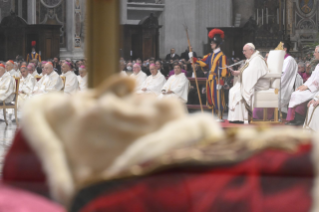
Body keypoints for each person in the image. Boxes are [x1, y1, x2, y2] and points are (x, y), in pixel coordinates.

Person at [228, 43, 270, 124]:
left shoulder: (257, 59)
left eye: (245, 51)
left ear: (251, 50)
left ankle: (242, 118)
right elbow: (248, 71)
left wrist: (239, 73)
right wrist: (237, 73)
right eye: (243, 51)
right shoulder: (251, 59)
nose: (243, 53)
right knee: (232, 90)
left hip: (259, 83)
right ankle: (235, 117)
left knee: (237, 92)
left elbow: (253, 72)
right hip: (254, 81)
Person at [189, 28, 228, 115]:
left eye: (213, 43)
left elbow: (224, 71)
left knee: (218, 99)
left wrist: (221, 82)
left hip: (217, 80)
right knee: (211, 99)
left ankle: (220, 117)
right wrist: (192, 57)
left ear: (217, 44)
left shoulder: (222, 56)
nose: (211, 44)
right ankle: (214, 116)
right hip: (210, 79)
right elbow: (202, 63)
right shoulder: (211, 55)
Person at [286, 46, 319, 126]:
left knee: (298, 95)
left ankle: (299, 119)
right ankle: (293, 119)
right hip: (312, 88)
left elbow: (317, 81)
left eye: (315, 52)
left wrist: (307, 87)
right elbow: (311, 78)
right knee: (296, 93)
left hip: (315, 90)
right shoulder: (318, 66)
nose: (314, 54)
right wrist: (304, 85)